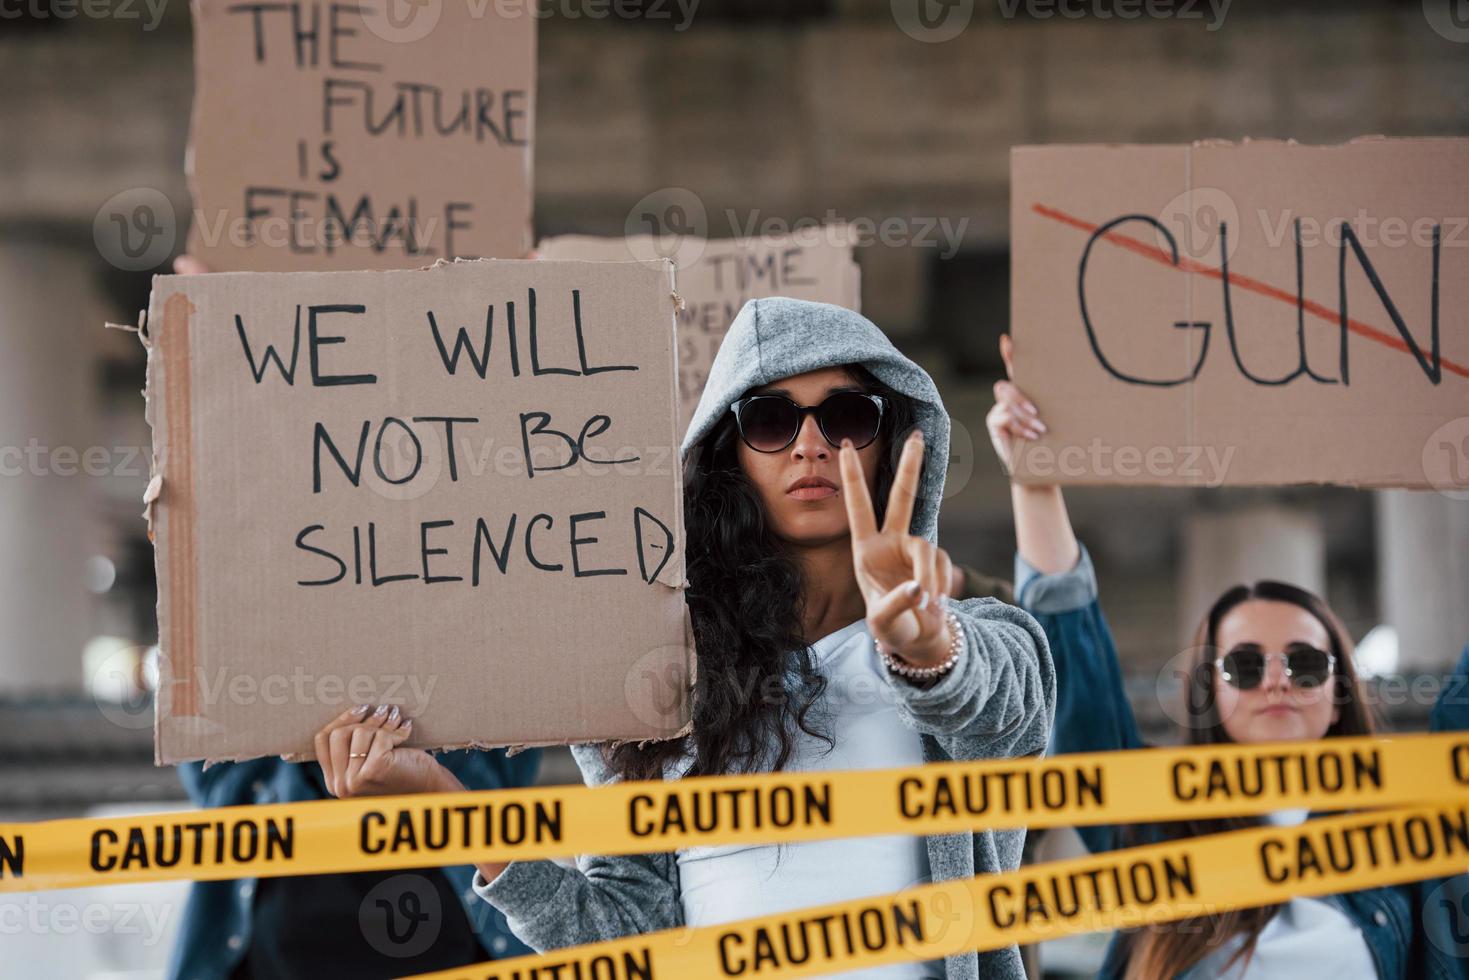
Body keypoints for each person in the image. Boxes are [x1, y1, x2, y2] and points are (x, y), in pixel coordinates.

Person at [312, 297, 1057, 980]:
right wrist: (448, 806)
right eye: (768, 420)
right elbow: (629, 939)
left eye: (845, 416)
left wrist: (926, 650)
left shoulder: (986, 641)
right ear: (729, 458)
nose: (808, 445)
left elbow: (995, 704)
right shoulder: (658, 683)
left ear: (889, 442)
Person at [985, 333, 1469, 979]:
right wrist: (1034, 479)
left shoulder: (1411, 831)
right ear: (1210, 693)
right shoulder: (1155, 827)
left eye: (1305, 664)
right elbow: (1077, 679)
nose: (1276, 680)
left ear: (1337, 697)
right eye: (1243, 665)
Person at [163, 255, 544, 980]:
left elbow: (515, 752)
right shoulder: (249, 628)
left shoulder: (479, 617)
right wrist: (218, 360)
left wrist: (510, 352)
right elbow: (208, 754)